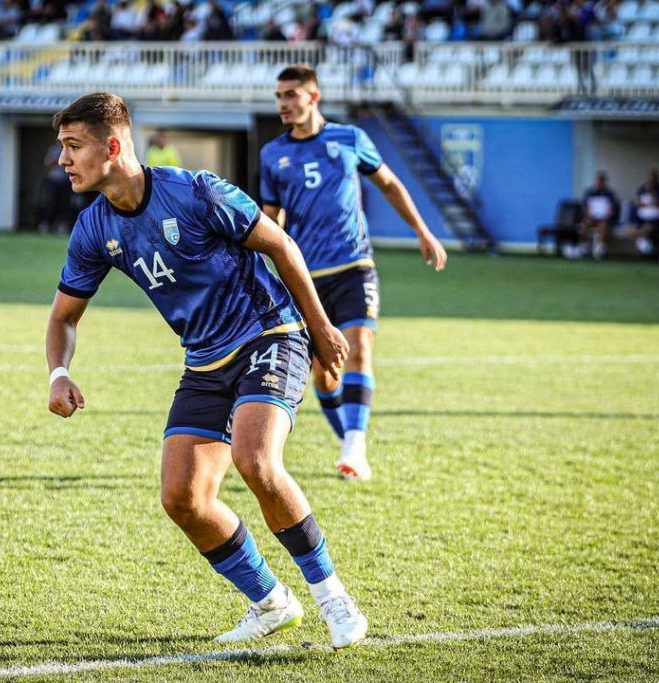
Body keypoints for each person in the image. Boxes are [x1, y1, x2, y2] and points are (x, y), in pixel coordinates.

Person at [46, 92, 369, 649]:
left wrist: (320, 329)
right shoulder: (94, 229)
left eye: (73, 146)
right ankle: (271, 602)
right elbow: (63, 317)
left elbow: (281, 245)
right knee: (183, 498)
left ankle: (335, 599)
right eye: (62, 147)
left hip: (269, 335)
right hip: (203, 360)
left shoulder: (195, 192)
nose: (63, 159)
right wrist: (59, 373)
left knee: (255, 459)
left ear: (113, 147)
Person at [259, 64, 447, 482]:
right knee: (324, 374)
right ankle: (349, 441)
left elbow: (389, 184)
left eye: (291, 95)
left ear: (314, 97)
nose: (283, 104)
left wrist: (422, 231)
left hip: (354, 265)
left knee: (359, 349)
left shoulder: (350, 138)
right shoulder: (272, 154)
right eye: (279, 96)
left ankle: (354, 448)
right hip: (306, 277)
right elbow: (271, 219)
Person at [578, 170, 619, 259]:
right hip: (592, 218)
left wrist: (606, 215)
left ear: (604, 182)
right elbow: (585, 207)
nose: (599, 183)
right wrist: (589, 216)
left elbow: (612, 209)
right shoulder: (589, 192)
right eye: (597, 180)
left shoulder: (609, 193)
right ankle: (584, 248)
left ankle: (601, 249)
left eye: (601, 181)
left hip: (604, 219)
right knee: (583, 226)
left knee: (604, 225)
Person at [628, 169, 659, 258]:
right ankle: (642, 245)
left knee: (646, 229)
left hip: (655, 220)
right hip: (640, 218)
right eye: (650, 179)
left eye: (653, 179)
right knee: (629, 230)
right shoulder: (642, 189)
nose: (651, 181)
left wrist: (652, 194)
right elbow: (638, 203)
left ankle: (646, 248)